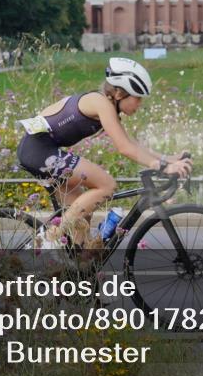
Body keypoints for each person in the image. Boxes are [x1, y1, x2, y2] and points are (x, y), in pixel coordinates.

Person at [16, 57, 192, 248]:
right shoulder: (100, 103)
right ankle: (49, 237)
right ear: (118, 94)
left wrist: (168, 159)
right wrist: (164, 167)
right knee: (107, 185)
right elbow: (124, 148)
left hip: (40, 151)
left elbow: (131, 143)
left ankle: (71, 269)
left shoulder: (105, 106)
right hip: (39, 150)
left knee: (81, 218)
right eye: (137, 97)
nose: (140, 104)